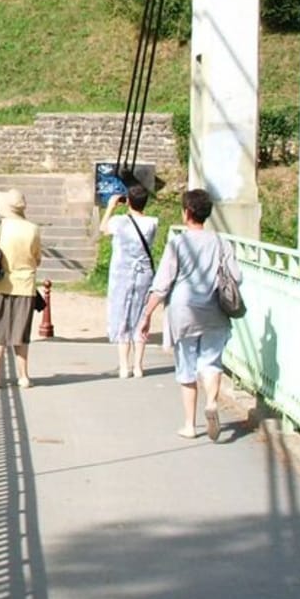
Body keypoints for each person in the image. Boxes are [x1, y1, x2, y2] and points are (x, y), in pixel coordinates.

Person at [138, 187, 231, 440]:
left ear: (187, 212)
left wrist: (147, 314)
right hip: (215, 311)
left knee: (186, 366)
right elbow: (237, 277)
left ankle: (190, 425)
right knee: (211, 362)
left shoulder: (178, 243)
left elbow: (163, 283)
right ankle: (211, 402)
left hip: (183, 312)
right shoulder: (222, 243)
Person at [0, 187, 43, 391]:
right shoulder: (32, 229)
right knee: (21, 333)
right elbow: (37, 259)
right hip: (25, 285)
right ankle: (24, 377)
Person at [102, 182, 160, 379]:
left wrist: (111, 206)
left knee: (122, 315)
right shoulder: (153, 223)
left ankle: (124, 366)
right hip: (144, 273)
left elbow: (103, 228)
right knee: (142, 317)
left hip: (121, 273)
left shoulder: (119, 221)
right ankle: (138, 366)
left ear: (128, 202)